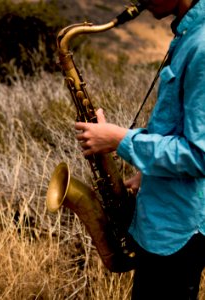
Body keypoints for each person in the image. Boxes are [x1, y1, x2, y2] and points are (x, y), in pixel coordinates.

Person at [75, 0, 205, 298]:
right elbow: (180, 129)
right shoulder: (187, 35)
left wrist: (120, 140)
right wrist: (148, 175)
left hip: (179, 231)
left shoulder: (201, 45)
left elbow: (200, 155)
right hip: (168, 219)